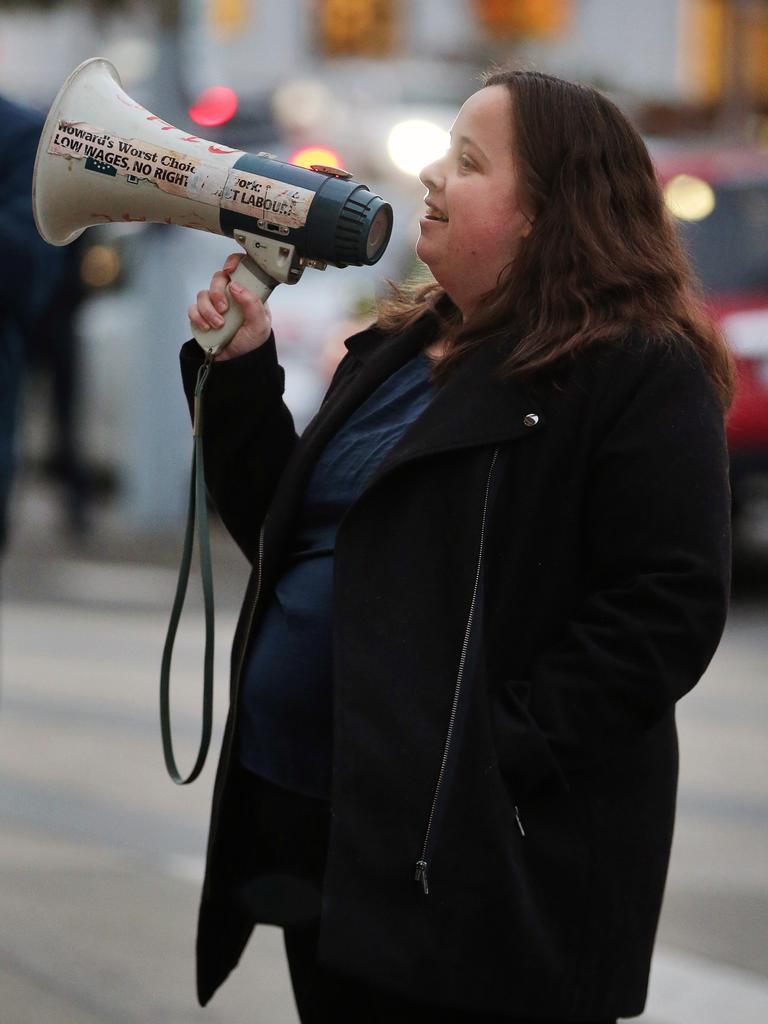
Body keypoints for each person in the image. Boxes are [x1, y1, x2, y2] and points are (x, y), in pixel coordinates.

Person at [180, 70, 733, 1023]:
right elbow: (291, 529)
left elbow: (665, 609)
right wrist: (240, 376)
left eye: (470, 162)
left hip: (472, 861)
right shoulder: (406, 342)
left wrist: (489, 758)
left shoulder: (635, 370)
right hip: (333, 832)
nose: (433, 176)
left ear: (548, 215)